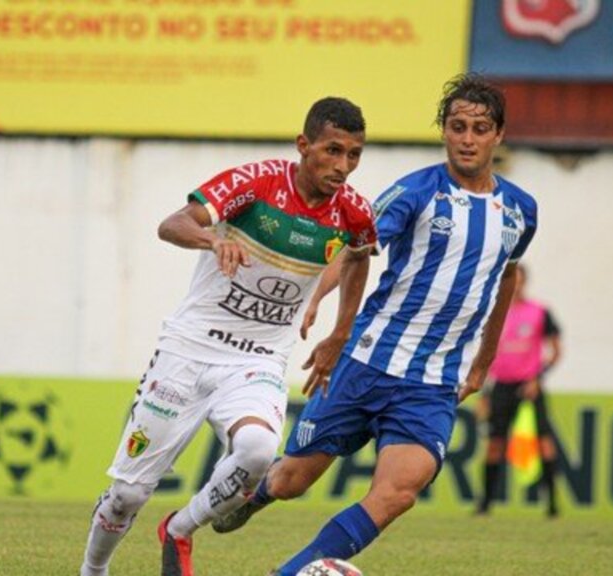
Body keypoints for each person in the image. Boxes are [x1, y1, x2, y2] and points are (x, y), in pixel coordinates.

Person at [211, 74, 539, 575]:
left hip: (432, 383)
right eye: (457, 127)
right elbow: (351, 251)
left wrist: (483, 362)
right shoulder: (413, 193)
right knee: (292, 481)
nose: (468, 139)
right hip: (366, 360)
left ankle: (290, 573)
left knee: (398, 493)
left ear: (498, 135)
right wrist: (317, 302)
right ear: (444, 132)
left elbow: (506, 277)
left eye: (479, 128)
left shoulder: (520, 210)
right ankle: (258, 494)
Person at [79, 97, 378, 576]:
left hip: (257, 359)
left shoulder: (354, 212)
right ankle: (93, 571)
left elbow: (360, 256)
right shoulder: (253, 183)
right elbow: (171, 224)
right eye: (332, 151)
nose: (343, 166)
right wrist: (214, 239)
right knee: (128, 495)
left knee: (259, 451)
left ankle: (179, 529)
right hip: (188, 350)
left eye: (354, 155)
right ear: (304, 145)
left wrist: (339, 331)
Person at [475, 264, 562, 517]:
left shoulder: (540, 312)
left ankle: (552, 504)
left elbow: (555, 350)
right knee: (494, 444)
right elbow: (485, 353)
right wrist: (483, 391)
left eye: (518, 281)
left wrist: (539, 377)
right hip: (500, 385)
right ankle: (485, 504)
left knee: (544, 442)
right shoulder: (495, 313)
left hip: (529, 386)